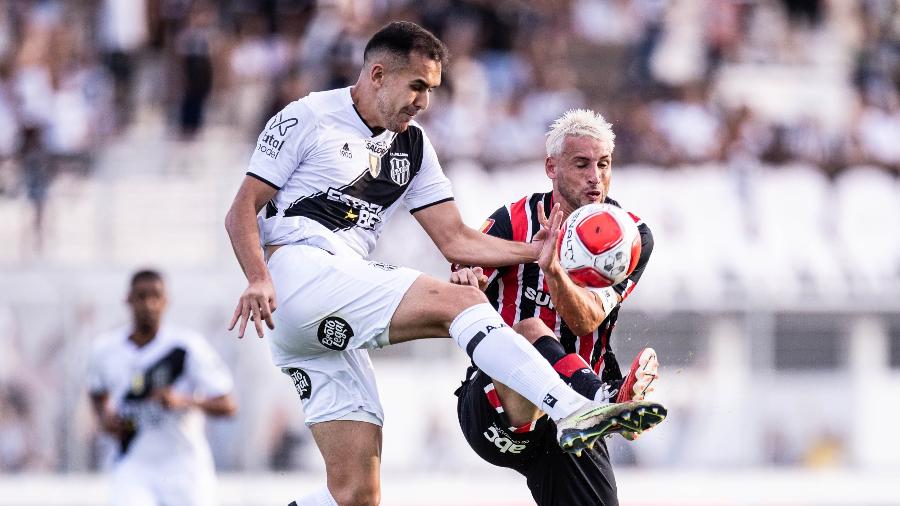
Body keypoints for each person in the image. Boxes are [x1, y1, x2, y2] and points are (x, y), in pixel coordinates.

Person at [224, 21, 664, 506]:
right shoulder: (307, 116)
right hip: (300, 273)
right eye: (416, 86)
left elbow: (456, 240)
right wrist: (258, 277)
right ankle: (578, 405)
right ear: (376, 75)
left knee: (355, 495)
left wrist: (538, 252)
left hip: (322, 323)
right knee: (462, 301)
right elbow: (241, 209)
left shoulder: (412, 147)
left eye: (430, 90)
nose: (423, 103)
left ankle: (574, 406)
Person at [453, 109, 662, 505]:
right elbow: (461, 285)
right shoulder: (509, 222)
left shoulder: (631, 237)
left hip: (576, 424)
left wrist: (551, 270)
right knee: (529, 331)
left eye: (603, 164)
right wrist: (469, 285)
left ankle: (598, 404)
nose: (595, 177)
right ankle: (607, 401)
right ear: (551, 166)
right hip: (500, 406)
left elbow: (586, 321)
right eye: (582, 164)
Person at [87, 270, 237, 506]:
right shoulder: (105, 350)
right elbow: (97, 391)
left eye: (155, 296)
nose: (148, 304)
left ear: (166, 301)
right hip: (133, 466)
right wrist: (105, 418)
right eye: (141, 296)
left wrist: (184, 401)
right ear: (128, 299)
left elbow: (228, 405)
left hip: (184, 466)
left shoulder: (185, 347)